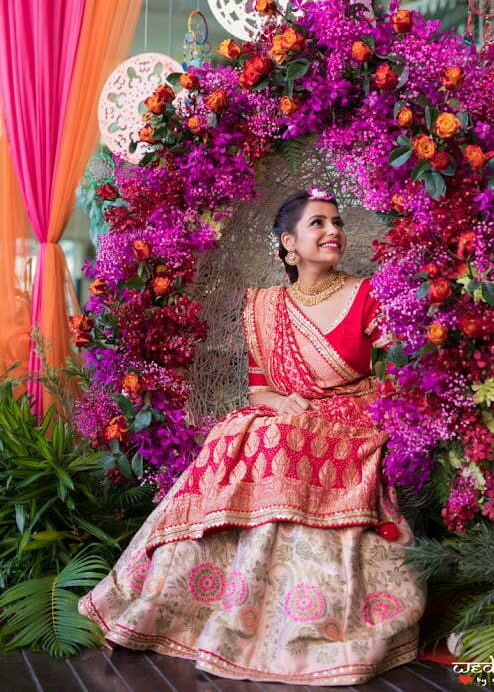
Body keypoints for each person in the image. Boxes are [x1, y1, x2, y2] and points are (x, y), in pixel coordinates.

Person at [78, 188, 427, 685]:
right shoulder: (263, 307)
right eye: (318, 224)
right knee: (235, 431)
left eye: (336, 222)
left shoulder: (367, 294)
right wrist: (282, 404)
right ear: (288, 242)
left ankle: (298, 616)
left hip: (355, 416)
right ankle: (203, 602)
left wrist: (332, 408)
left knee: (281, 437)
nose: (333, 232)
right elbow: (260, 391)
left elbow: (393, 379)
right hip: (288, 417)